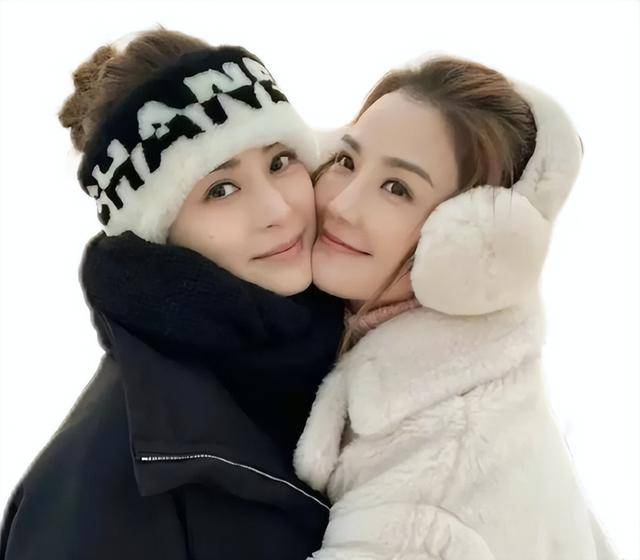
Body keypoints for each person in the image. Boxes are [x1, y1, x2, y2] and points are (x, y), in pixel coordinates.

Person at [0, 26, 345, 559]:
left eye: (280, 162)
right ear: (156, 235)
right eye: (221, 189)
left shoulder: (362, 357)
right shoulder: (104, 479)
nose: (279, 210)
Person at [294, 55, 619, 559]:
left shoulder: (446, 468)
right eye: (346, 161)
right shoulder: (460, 362)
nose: (341, 205)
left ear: (474, 242)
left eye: (397, 188)